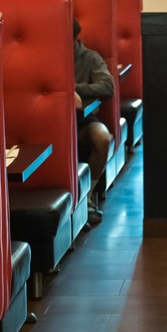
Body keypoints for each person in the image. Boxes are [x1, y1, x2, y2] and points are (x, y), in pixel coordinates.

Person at [73, 18, 115, 227]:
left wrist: (76, 89)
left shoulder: (90, 57)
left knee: (102, 137)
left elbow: (108, 87)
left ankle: (88, 197)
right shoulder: (40, 58)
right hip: (44, 126)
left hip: (82, 120)